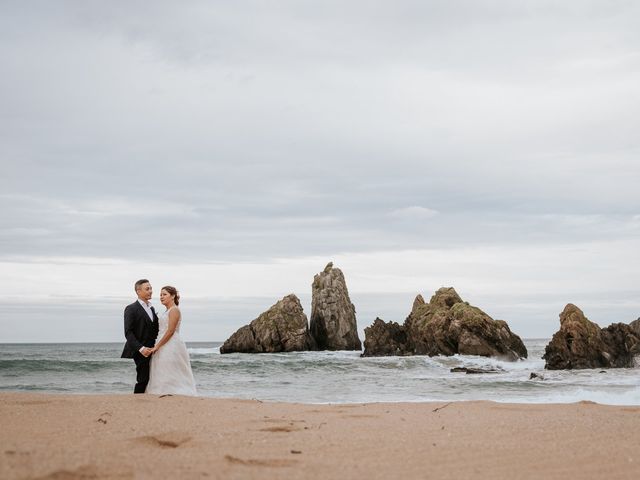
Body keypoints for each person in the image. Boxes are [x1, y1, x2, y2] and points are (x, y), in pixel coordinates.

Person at [145, 286, 197, 396]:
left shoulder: (174, 310)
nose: (161, 297)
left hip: (171, 343)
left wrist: (157, 346)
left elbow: (170, 331)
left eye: (164, 294)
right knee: (161, 368)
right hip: (162, 341)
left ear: (172, 296)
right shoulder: (166, 311)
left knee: (170, 368)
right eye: (160, 295)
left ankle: (173, 392)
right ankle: (162, 391)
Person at [121, 279, 159, 394]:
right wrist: (141, 349)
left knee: (151, 377)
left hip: (152, 349)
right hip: (140, 350)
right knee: (143, 379)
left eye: (151, 288)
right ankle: (137, 401)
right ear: (138, 291)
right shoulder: (131, 308)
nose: (150, 291)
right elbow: (128, 332)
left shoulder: (151, 308)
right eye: (147, 289)